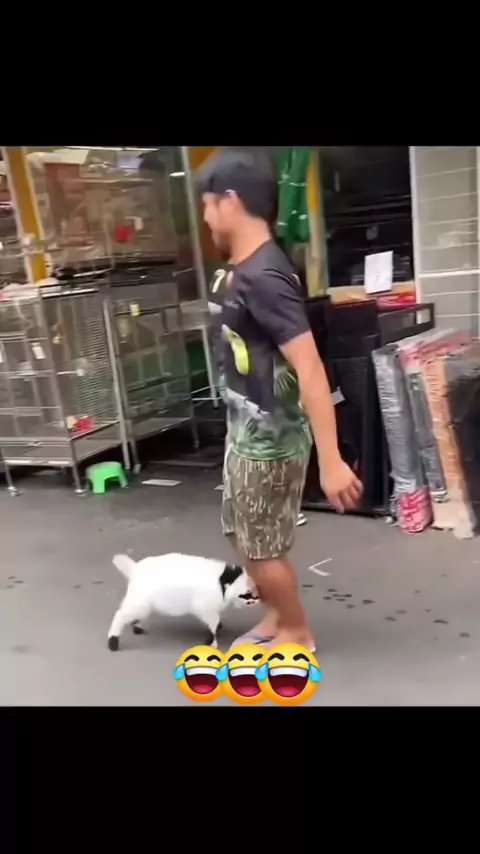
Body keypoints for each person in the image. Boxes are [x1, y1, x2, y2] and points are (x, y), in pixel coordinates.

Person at [198, 149, 363, 651]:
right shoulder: (241, 269)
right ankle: (275, 616)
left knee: (262, 545)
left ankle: (295, 630)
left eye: (207, 205)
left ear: (230, 201)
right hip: (245, 432)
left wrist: (330, 460)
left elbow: (310, 368)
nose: (205, 218)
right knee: (243, 535)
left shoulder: (265, 276)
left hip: (271, 442)